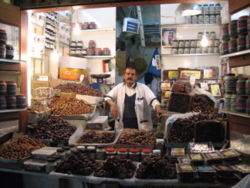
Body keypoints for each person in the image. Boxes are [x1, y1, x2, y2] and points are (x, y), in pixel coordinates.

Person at [104, 65, 165, 131]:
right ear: (124, 76)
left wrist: (158, 109)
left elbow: (153, 100)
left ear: (136, 77)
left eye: (132, 74)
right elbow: (107, 97)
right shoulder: (119, 87)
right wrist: (113, 105)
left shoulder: (143, 88)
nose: (130, 76)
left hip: (140, 126)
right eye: (128, 74)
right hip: (123, 125)